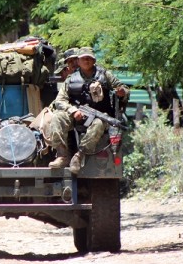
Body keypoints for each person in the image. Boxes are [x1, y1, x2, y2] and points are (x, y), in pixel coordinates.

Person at [48, 46, 129, 174]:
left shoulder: (105, 75)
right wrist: (73, 110)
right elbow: (60, 101)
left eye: (89, 58)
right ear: (78, 61)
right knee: (58, 116)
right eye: (83, 58)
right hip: (78, 115)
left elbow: (123, 89)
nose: (86, 61)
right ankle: (62, 156)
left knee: (99, 123)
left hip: (100, 116)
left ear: (94, 61)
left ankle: (79, 156)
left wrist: (122, 92)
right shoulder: (71, 79)